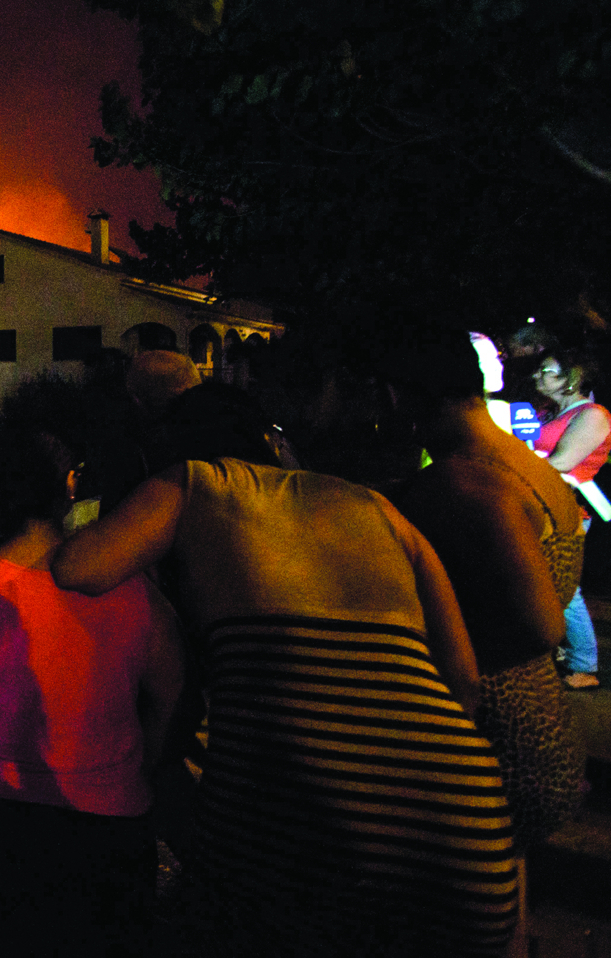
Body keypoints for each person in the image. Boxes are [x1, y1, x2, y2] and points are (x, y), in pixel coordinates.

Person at [51, 383, 518, 957]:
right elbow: (463, 677)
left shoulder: (196, 481)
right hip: (465, 819)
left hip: (301, 822)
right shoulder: (372, 507)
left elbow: (79, 567)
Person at [0, 428, 183, 957]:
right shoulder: (133, 588)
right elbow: (171, 698)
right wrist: (141, 764)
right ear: (70, 486)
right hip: (106, 832)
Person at [388, 333, 586, 858]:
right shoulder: (523, 465)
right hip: (538, 718)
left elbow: (540, 626)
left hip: (490, 738)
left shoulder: (468, 482)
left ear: (397, 396)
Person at [530, 348, 608, 690]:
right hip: (539, 506)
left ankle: (585, 664)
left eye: (547, 371)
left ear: (571, 380)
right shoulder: (547, 411)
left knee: (565, 589)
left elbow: (562, 463)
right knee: (545, 585)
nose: (537, 376)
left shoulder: (593, 415)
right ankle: (559, 651)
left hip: (566, 511)